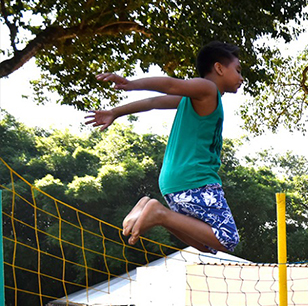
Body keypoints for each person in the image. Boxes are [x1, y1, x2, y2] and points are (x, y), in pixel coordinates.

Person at [85, 41, 244, 254]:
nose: (241, 78)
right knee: (227, 239)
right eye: (238, 70)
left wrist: (116, 112)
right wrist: (130, 84)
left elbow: (153, 102)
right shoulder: (208, 89)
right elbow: (170, 85)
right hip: (195, 179)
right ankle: (159, 213)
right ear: (219, 68)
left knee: (207, 245)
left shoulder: (195, 99)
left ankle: (150, 209)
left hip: (172, 183)